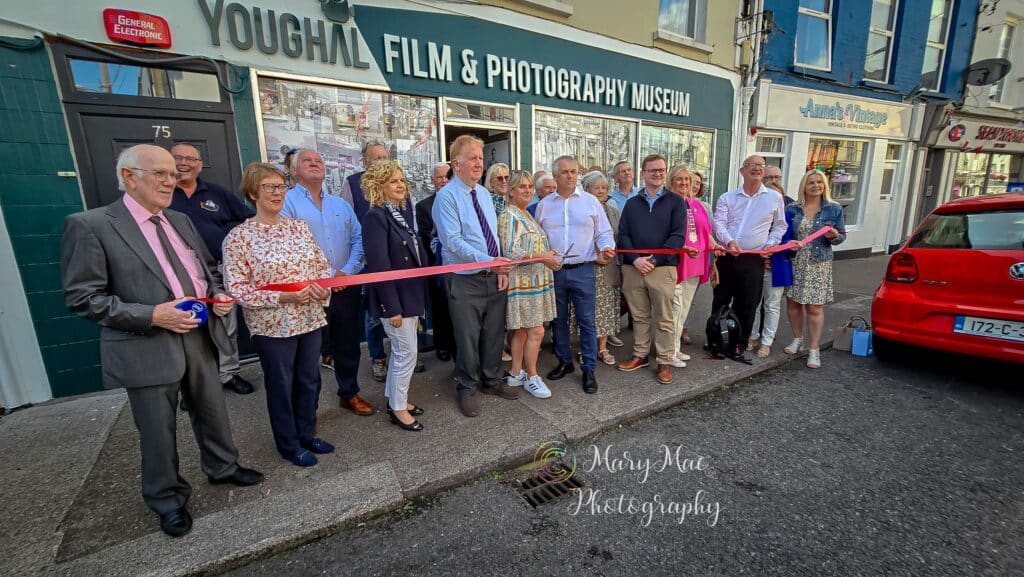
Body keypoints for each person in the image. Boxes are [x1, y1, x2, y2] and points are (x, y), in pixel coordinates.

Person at [60, 144, 262, 538]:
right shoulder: (92, 225)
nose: (172, 180)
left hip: (198, 335)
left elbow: (208, 270)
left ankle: (222, 467)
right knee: (157, 429)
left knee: (212, 410)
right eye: (161, 173)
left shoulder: (179, 220)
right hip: (146, 344)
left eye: (173, 173)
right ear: (129, 177)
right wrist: (152, 315)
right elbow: (82, 297)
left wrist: (218, 294)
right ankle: (167, 499)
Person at [222, 163, 334, 467]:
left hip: (309, 318)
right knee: (281, 385)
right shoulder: (239, 238)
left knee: (310, 380)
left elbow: (322, 266)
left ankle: (307, 433)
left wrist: (324, 289)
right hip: (273, 326)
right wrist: (282, 296)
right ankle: (288, 443)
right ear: (252, 193)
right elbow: (238, 289)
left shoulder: (298, 227)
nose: (276, 193)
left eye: (280, 186)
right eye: (268, 187)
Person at [280, 149, 375, 417]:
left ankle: (349, 393)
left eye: (319, 160)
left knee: (348, 345)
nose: (314, 164)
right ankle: (309, 408)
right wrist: (329, 273)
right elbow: (289, 247)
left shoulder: (340, 205)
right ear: (293, 170)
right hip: (309, 291)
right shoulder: (286, 203)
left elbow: (358, 239)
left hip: (345, 287)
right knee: (310, 354)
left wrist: (346, 271)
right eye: (307, 161)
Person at [433, 134, 520, 417]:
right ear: (456, 164)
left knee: (494, 332)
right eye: (472, 158)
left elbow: (492, 235)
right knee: (467, 336)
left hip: (493, 275)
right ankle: (467, 387)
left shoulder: (483, 194)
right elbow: (453, 242)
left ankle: (492, 380)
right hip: (464, 277)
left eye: (481, 158)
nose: (478, 163)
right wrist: (491, 262)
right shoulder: (446, 197)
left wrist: (501, 268)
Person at [169, 142, 256, 396]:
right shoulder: (162, 194)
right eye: (177, 158)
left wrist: (225, 234)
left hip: (219, 270)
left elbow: (246, 219)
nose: (184, 163)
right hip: (179, 274)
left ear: (199, 165)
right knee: (188, 329)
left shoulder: (217, 193)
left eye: (190, 159)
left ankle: (227, 373)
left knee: (226, 326)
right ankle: (192, 387)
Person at [534, 155, 615, 394]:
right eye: (565, 172)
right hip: (555, 272)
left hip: (583, 270)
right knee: (558, 320)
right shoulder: (545, 205)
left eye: (573, 172)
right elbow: (539, 237)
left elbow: (604, 232)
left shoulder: (591, 202)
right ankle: (565, 362)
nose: (570, 176)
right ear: (555, 176)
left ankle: (589, 368)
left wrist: (606, 246)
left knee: (586, 320)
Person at [362, 160, 430, 431]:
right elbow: (379, 267)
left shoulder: (399, 214)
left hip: (410, 295)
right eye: (393, 181)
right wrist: (392, 308)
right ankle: (398, 408)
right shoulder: (375, 217)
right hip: (395, 300)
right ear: (379, 186)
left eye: (402, 180)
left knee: (403, 353)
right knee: (406, 353)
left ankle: (395, 398)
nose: (401, 185)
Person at [617, 154, 690, 384]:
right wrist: (636, 259)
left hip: (662, 268)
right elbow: (624, 235)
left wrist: (654, 261)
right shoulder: (632, 203)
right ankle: (640, 355)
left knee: (664, 318)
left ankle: (664, 361)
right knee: (639, 316)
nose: (657, 173)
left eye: (661, 170)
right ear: (643, 174)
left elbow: (677, 237)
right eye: (652, 170)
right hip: (634, 268)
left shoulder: (676, 202)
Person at [712, 155, 788, 358]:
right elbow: (718, 223)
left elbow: (780, 225)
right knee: (720, 300)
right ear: (742, 170)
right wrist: (729, 241)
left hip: (754, 259)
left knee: (747, 304)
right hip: (728, 257)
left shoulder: (774, 198)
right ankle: (717, 341)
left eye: (761, 166)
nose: (757, 169)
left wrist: (771, 244)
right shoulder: (727, 197)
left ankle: (739, 343)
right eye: (752, 165)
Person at [497, 170, 559, 398]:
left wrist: (549, 256)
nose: (527, 190)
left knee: (523, 331)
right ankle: (532, 376)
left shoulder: (526, 214)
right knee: (536, 330)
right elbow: (510, 251)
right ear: (511, 191)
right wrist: (544, 257)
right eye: (522, 186)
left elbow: (532, 248)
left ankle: (516, 372)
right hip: (522, 283)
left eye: (530, 186)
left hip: (536, 281)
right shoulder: (509, 215)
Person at [784, 170, 846, 369]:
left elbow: (841, 236)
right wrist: (787, 244)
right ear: (804, 185)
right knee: (793, 303)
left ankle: (814, 349)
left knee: (814, 307)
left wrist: (834, 236)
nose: (816, 185)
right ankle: (797, 338)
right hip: (795, 261)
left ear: (825, 185)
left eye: (819, 182)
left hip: (818, 264)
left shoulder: (833, 209)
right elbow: (784, 234)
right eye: (811, 182)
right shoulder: (793, 208)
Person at [667, 165, 721, 367]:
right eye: (679, 179)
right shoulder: (668, 204)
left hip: (695, 264)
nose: (684, 183)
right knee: (673, 310)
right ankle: (668, 351)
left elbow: (704, 232)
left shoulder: (696, 205)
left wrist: (715, 245)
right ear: (671, 181)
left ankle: (675, 348)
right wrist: (681, 246)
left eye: (687, 180)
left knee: (683, 310)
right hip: (676, 265)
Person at [577, 170, 622, 366]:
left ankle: (603, 347)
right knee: (587, 310)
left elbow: (618, 236)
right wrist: (594, 256)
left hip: (610, 266)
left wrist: (610, 253)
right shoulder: (580, 208)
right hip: (588, 266)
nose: (601, 191)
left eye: (604, 187)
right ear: (587, 189)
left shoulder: (612, 210)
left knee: (606, 308)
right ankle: (586, 347)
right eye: (597, 187)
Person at [749, 180, 795, 358]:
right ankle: (752, 336)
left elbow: (791, 243)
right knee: (754, 303)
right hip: (755, 265)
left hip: (775, 268)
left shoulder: (788, 218)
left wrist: (773, 253)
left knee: (772, 305)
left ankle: (767, 341)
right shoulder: (755, 217)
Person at [416, 162, 456, 362]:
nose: (443, 180)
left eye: (446, 176)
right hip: (436, 266)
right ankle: (443, 345)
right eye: (439, 177)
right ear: (432, 181)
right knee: (440, 308)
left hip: (459, 267)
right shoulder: (423, 206)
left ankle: (457, 344)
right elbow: (425, 236)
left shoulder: (460, 202)